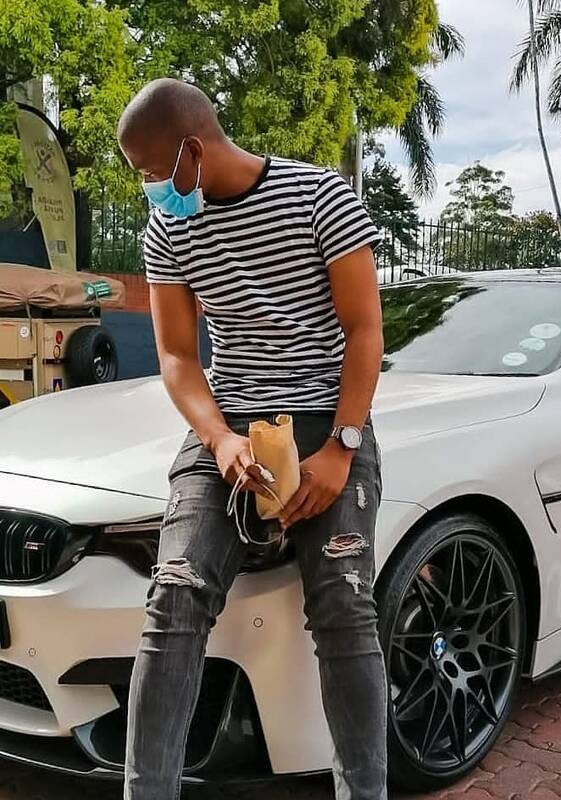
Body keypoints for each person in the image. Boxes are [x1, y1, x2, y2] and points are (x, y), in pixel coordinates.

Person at [116, 78, 387, 800]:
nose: (150, 190)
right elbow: (178, 356)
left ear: (193, 151)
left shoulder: (320, 197)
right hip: (230, 425)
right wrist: (218, 440)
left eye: (152, 171)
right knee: (175, 598)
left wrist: (342, 447)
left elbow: (366, 330)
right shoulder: (168, 230)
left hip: (328, 421)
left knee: (344, 605)